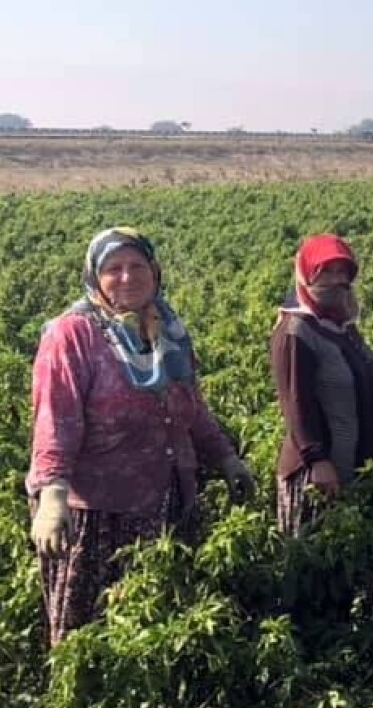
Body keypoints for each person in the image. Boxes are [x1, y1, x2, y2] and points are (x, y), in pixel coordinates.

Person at [27, 227, 255, 645]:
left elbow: (191, 406)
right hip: (100, 513)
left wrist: (226, 458)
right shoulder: (73, 335)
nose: (127, 277)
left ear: (155, 270)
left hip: (167, 499)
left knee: (162, 629)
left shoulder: (167, 327)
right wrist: (52, 495)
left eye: (137, 266)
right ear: (95, 277)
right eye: (114, 269)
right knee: (95, 636)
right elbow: (55, 420)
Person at [270, 234, 373, 536]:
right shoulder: (296, 331)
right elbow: (296, 402)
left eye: (342, 272)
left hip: (355, 464)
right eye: (326, 271)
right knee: (318, 554)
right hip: (319, 473)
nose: (336, 280)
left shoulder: (342, 326)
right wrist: (317, 459)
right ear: (306, 275)